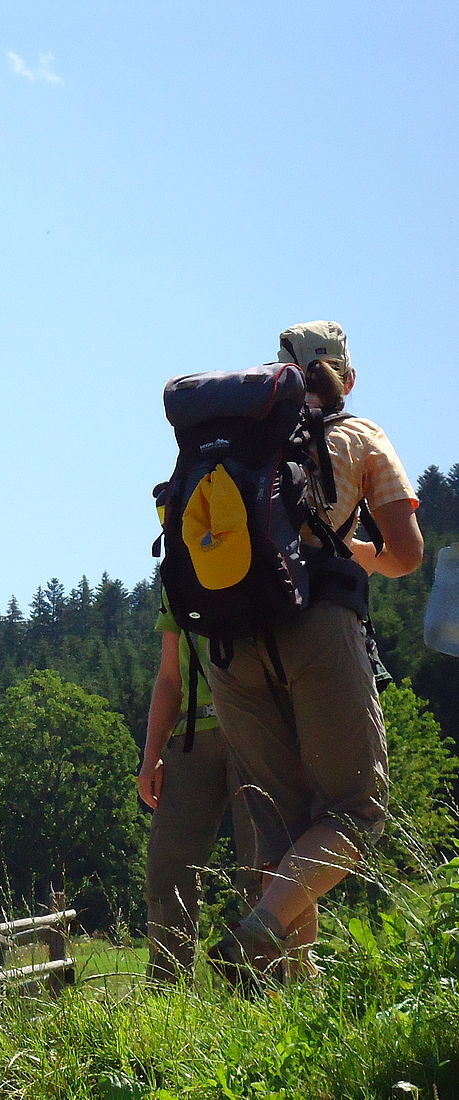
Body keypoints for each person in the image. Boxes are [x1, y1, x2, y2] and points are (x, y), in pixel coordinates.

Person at [206, 321, 423, 982]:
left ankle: (292, 994)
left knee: (278, 824)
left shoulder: (233, 445)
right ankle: (257, 931)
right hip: (317, 627)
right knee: (352, 813)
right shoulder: (359, 435)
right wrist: (347, 549)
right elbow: (406, 555)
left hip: (229, 640)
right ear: (344, 377)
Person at [138, 591, 260, 983]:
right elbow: (170, 677)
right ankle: (167, 993)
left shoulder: (262, 551)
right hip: (194, 732)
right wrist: (151, 756)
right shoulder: (177, 575)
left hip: (259, 726)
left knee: (261, 865)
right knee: (167, 869)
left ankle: (264, 986)